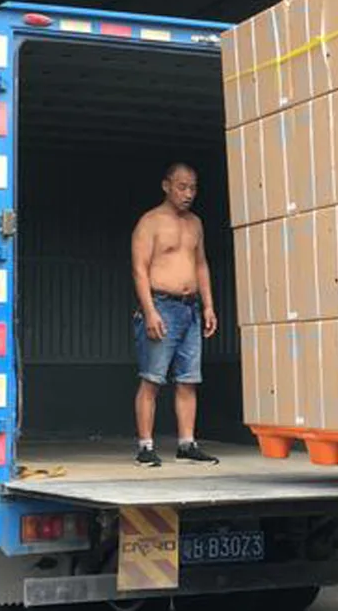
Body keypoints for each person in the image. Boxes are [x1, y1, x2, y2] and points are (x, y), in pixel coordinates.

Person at [130, 162, 219, 467]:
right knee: (152, 379)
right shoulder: (150, 222)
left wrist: (208, 305)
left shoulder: (195, 223)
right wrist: (149, 311)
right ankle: (145, 447)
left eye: (193, 187)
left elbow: (201, 265)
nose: (188, 193)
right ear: (166, 186)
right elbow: (139, 269)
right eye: (182, 187)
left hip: (190, 308)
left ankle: (186, 444)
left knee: (188, 380)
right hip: (161, 305)